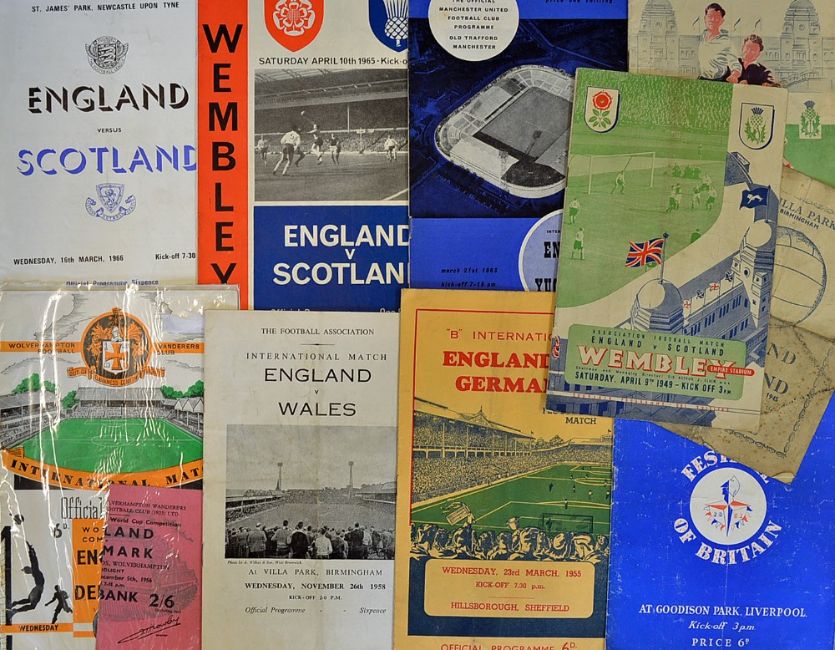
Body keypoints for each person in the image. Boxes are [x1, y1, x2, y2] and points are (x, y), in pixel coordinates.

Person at [698, 3, 740, 82]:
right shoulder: (700, 38)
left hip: (719, 81)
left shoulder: (727, 42)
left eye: (716, 17)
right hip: (702, 80)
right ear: (705, 18)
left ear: (722, 21)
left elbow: (735, 63)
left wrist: (734, 75)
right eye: (710, 16)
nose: (712, 20)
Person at [8, 543, 45, 619]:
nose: (28, 573)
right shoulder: (35, 571)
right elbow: (34, 560)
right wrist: (31, 550)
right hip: (38, 589)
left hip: (37, 589)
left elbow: (34, 560)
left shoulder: (35, 571)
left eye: (27, 572)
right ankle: (15, 610)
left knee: (29, 600)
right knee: (32, 606)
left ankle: (15, 604)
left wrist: (31, 550)